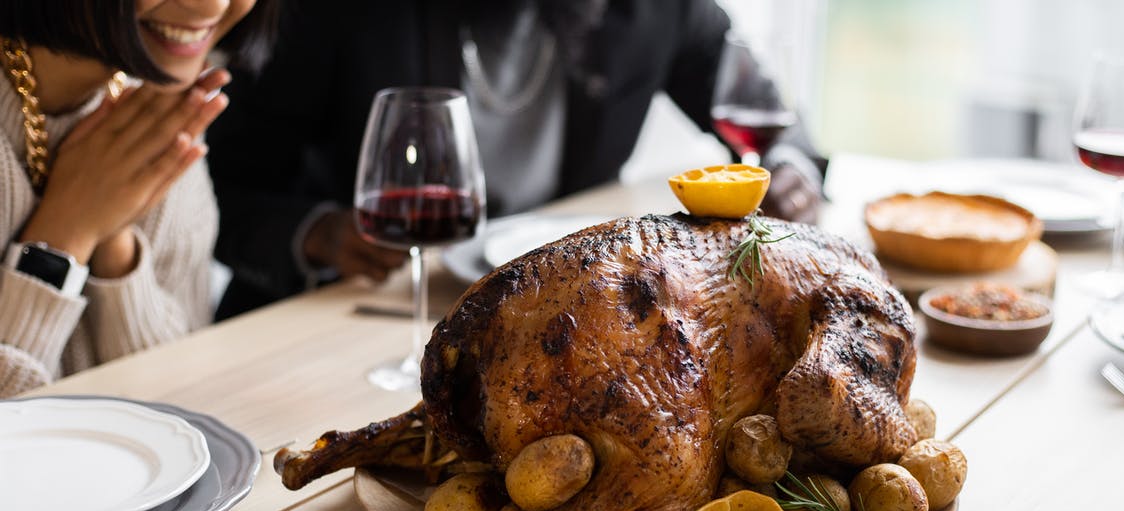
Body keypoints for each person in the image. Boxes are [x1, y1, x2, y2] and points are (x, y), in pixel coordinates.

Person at [208, 0, 828, 320]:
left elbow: (761, 105)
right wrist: (318, 234)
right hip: (365, 310)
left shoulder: (655, 8)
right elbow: (221, 182)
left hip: (561, 309)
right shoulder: (337, 12)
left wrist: (790, 167)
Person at [0, 0, 278, 397]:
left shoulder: (148, 106)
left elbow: (187, 399)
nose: (214, 4)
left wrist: (115, 241)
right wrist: (67, 232)